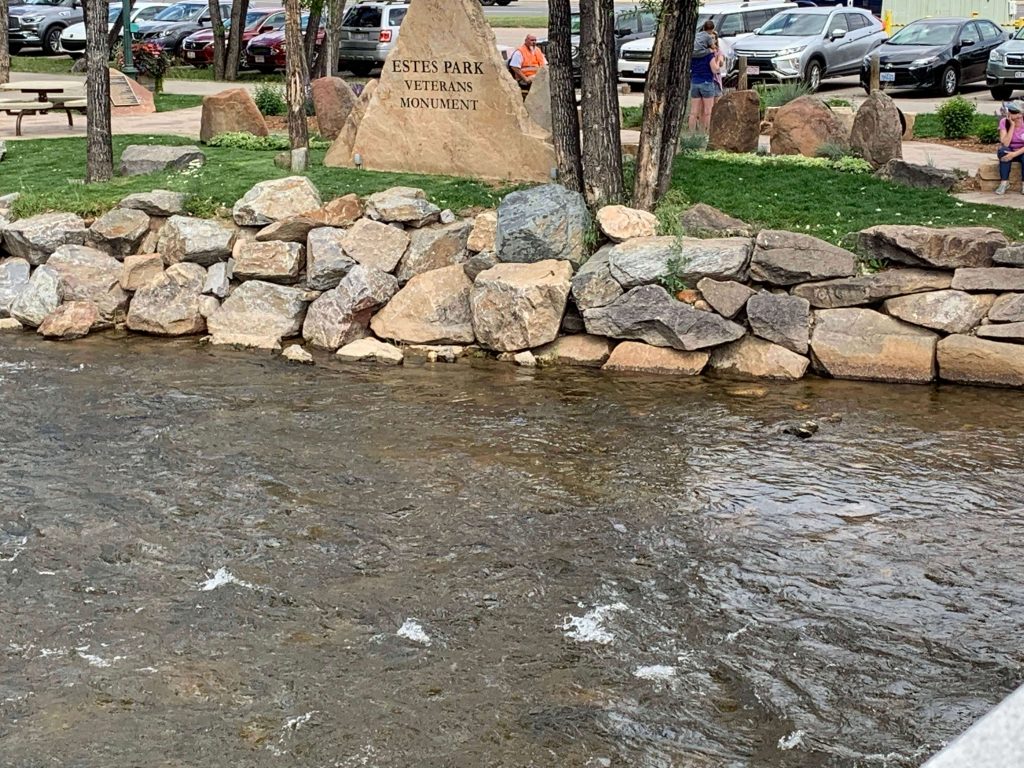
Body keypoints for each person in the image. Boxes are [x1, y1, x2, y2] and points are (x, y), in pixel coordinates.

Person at [688, 39, 718, 133]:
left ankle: (691, 132)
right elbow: (714, 69)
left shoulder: (693, 55)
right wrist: (718, 63)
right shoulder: (709, 56)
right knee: (708, 111)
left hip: (695, 82)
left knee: (693, 111)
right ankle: (706, 132)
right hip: (706, 82)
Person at [996, 101, 1024, 195]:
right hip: (1010, 149)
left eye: (1012, 112)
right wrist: (1012, 125)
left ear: (1020, 114)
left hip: (1022, 151)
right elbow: (1006, 143)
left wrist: (1014, 154)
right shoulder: (1004, 122)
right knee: (1003, 151)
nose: (1009, 113)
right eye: (1009, 111)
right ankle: (1004, 183)